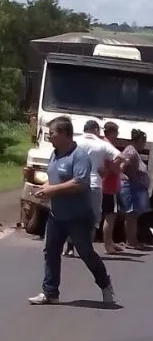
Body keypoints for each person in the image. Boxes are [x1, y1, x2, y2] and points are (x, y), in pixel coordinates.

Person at [28, 116, 116, 305]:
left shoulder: (79, 156)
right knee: (50, 251)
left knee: (85, 253)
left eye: (53, 133)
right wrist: (42, 188)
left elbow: (80, 182)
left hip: (78, 216)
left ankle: (105, 284)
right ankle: (50, 292)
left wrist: (52, 190)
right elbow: (53, 178)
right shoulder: (55, 154)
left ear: (65, 134)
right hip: (56, 214)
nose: (50, 137)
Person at [64, 120, 123, 256]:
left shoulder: (74, 141)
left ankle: (69, 247)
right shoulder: (102, 145)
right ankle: (86, 248)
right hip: (94, 184)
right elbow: (120, 157)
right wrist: (107, 170)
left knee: (73, 215)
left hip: (75, 183)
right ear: (96, 130)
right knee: (93, 218)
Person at [119, 129, 150, 250]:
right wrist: (125, 178)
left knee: (133, 215)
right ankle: (131, 242)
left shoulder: (133, 151)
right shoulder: (130, 152)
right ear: (139, 140)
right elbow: (121, 168)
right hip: (130, 187)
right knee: (130, 215)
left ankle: (133, 240)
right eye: (144, 141)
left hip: (135, 187)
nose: (144, 144)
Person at [100, 121, 124, 254]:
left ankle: (111, 243)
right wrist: (120, 162)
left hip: (103, 185)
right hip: (109, 186)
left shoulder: (102, 145)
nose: (117, 135)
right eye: (116, 133)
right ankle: (108, 245)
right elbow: (113, 169)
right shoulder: (109, 148)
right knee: (110, 216)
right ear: (112, 132)